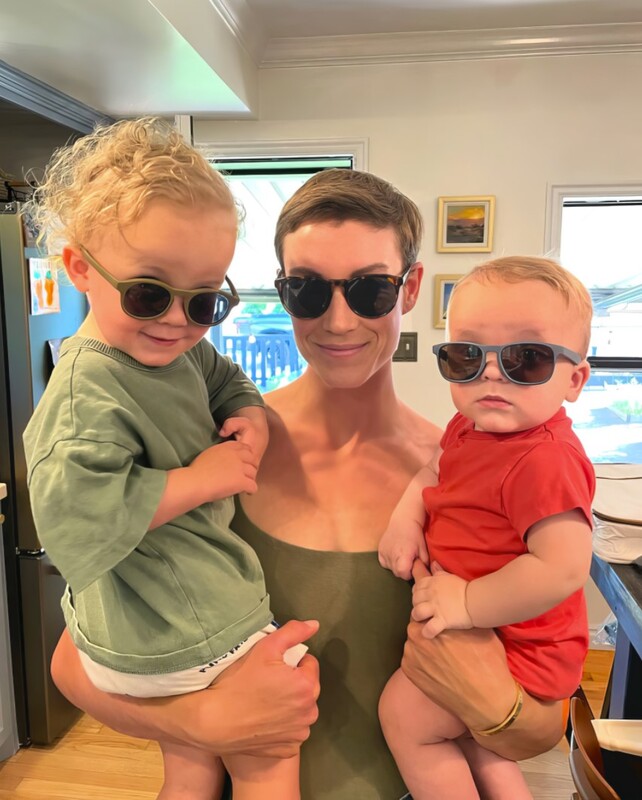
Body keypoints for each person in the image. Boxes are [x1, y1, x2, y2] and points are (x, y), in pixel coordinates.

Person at [49, 170, 573, 800]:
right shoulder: (217, 456)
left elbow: (544, 721)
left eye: (371, 290)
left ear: (409, 289)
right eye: (307, 290)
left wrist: (493, 704)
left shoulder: (468, 477)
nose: (339, 321)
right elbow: (73, 661)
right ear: (283, 293)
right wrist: (199, 721)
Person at [22, 117, 317, 800]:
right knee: (271, 748)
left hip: (152, 627)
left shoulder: (179, 351)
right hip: (177, 629)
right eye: (149, 293)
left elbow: (226, 379)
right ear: (79, 269)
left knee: (191, 768)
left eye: (206, 300)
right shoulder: (85, 393)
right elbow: (75, 524)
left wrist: (249, 416)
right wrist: (196, 480)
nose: (179, 321)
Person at [378, 256, 595, 800]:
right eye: (466, 356)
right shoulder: (468, 425)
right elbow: (435, 471)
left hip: (519, 645)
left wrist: (467, 603)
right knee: (476, 746)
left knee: (405, 716)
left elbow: (563, 567)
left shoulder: (544, 459)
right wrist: (407, 515)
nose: (491, 374)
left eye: (527, 359)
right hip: (487, 631)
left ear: (574, 379)